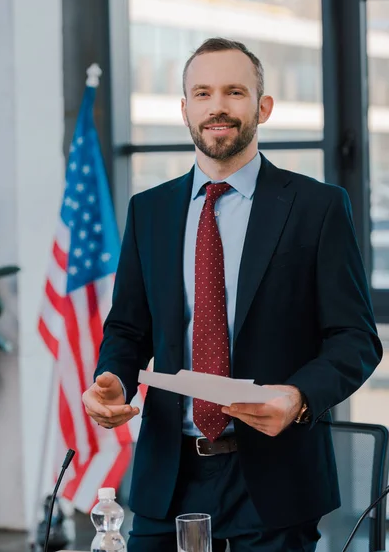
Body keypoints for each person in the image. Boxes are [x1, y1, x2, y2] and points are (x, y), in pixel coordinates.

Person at [82, 37, 382, 552]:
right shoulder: (148, 210)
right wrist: (112, 380)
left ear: (262, 106)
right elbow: (129, 328)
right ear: (184, 109)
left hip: (274, 481)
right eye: (202, 93)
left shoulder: (318, 207)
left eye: (234, 92)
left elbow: (355, 338)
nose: (217, 106)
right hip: (166, 480)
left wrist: (300, 397)